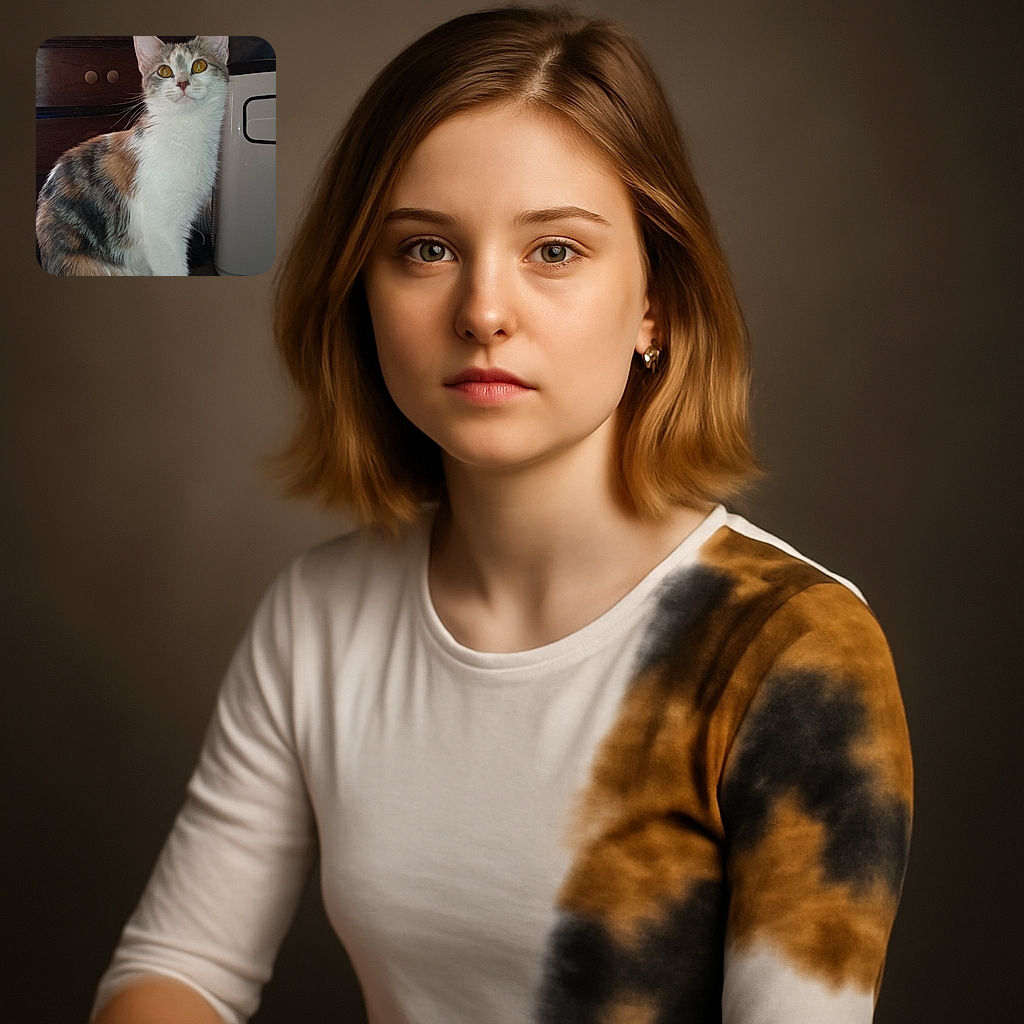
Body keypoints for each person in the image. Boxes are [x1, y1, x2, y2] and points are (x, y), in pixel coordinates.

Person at [91, 7, 912, 1023]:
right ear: (361, 292)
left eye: (555, 251)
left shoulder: (795, 651)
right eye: (426, 249)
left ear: (655, 302)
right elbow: (180, 969)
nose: (483, 310)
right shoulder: (319, 614)